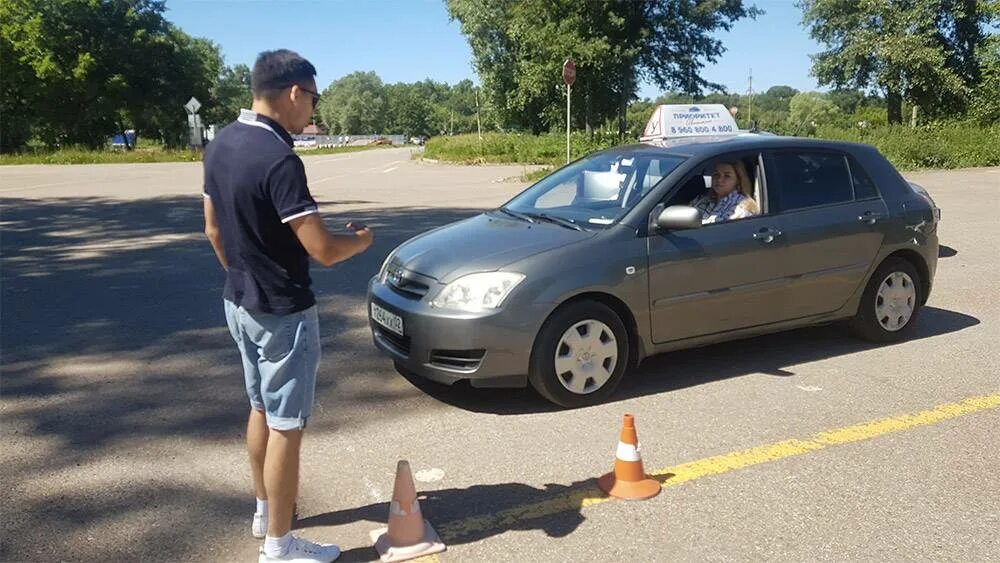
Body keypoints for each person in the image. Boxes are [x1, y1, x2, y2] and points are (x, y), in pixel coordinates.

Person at [202, 49, 373, 563]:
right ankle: (280, 546)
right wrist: (361, 242)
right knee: (287, 425)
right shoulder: (279, 159)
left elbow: (212, 228)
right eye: (313, 100)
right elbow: (321, 248)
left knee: (260, 407)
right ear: (294, 92)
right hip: (283, 311)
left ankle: (264, 509)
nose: (313, 113)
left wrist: (241, 272)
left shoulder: (221, 145)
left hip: (240, 301)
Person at [689, 160, 760, 223]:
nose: (719, 179)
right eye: (716, 174)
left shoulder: (743, 207)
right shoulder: (700, 200)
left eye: (727, 176)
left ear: (738, 181)